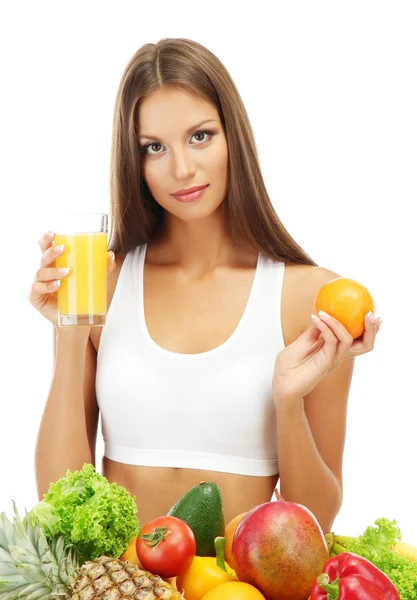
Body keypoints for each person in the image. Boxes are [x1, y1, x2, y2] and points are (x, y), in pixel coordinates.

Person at [29, 38, 381, 534]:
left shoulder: (308, 298)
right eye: (155, 147)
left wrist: (287, 402)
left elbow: (315, 518)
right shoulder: (102, 285)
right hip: (117, 584)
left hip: (235, 587)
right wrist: (69, 330)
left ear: (233, 134)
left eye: (200, 136)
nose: (181, 169)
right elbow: (58, 504)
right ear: (136, 161)